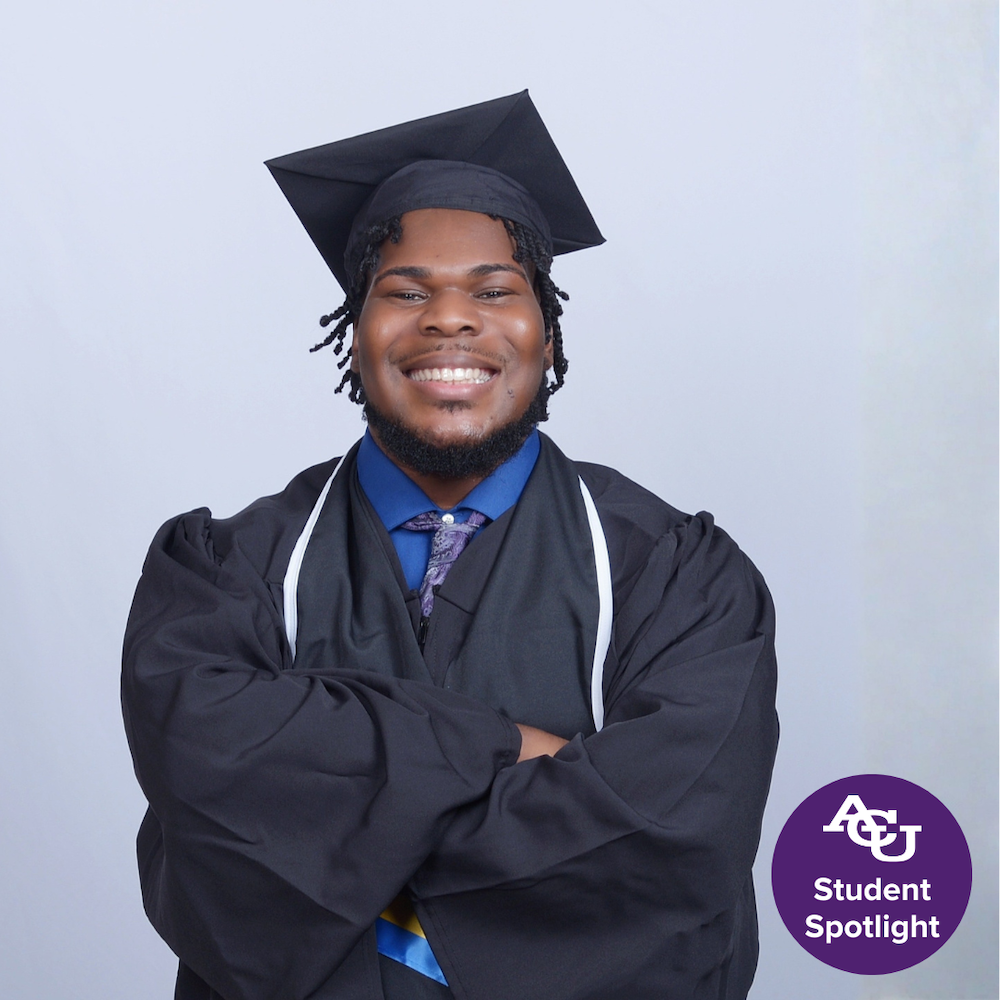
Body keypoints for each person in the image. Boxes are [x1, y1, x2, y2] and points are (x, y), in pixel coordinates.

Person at [122, 91, 778, 1000]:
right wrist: (508, 747)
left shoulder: (677, 578)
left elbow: (675, 840)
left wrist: (339, 823)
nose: (449, 319)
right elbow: (210, 800)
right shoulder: (232, 572)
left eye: (494, 290)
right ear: (353, 333)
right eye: (405, 291)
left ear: (547, 334)